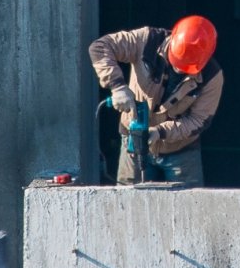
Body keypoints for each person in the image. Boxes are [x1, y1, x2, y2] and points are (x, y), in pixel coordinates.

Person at [90, 15, 223, 186]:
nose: (179, 69)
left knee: (190, 204)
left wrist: (160, 132)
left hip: (180, 150)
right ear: (172, 39)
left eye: (185, 68)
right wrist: (117, 86)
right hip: (134, 140)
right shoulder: (146, 41)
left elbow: (199, 121)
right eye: (177, 62)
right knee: (127, 202)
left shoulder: (212, 76)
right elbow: (100, 47)